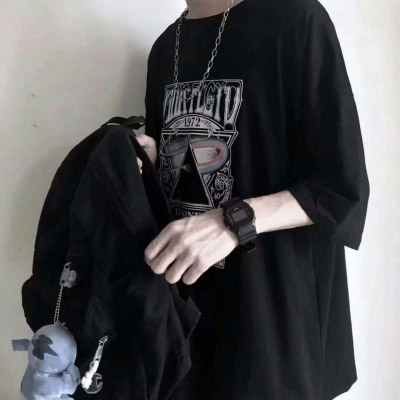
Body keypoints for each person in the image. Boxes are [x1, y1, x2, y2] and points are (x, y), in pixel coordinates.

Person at [136, 0, 370, 398]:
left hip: (272, 332)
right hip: (181, 329)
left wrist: (233, 221)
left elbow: (341, 188)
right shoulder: (164, 49)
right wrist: (152, 161)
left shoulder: (295, 19)